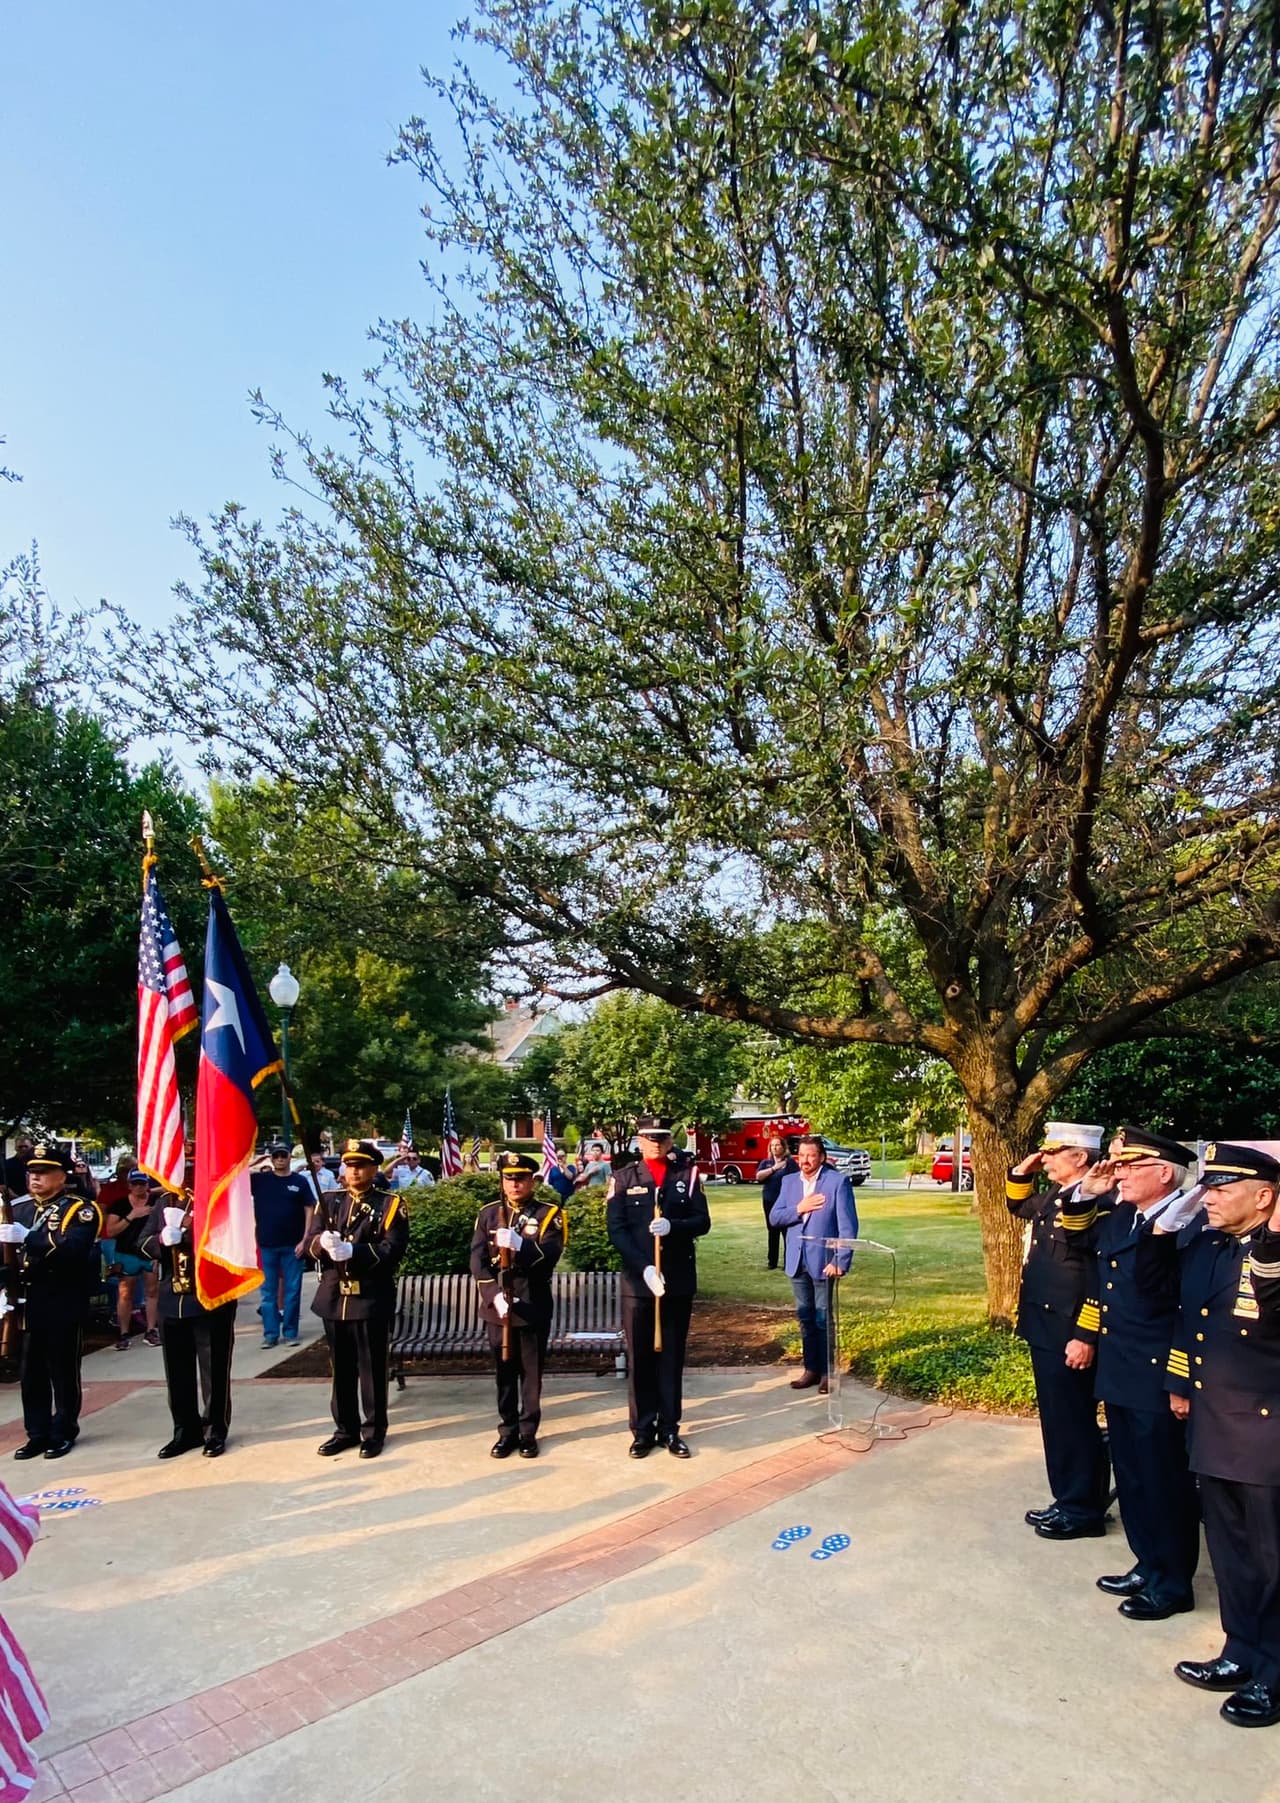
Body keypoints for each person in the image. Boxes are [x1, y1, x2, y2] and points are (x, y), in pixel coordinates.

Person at [1155, 1143, 1280, 1728]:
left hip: (1266, 1433)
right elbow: (1189, 1319)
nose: (1209, 1198)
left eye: (1223, 1189)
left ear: (1265, 1197)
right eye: (1208, 1188)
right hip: (1216, 1425)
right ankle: (1241, 1650)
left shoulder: (1271, 1256)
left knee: (1273, 1559)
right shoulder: (1209, 1246)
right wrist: (1181, 1383)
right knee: (1231, 1553)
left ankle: (1274, 1673)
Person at [1072, 1124, 1201, 1620]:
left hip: (1156, 1375)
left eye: (1130, 1166)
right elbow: (1076, 1238)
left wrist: (1179, 1380)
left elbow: (1188, 1311)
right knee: (1131, 1476)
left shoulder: (1186, 1224)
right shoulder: (1124, 1216)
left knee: (1163, 1480)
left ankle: (1173, 1582)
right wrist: (1088, 1193)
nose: (1118, 1173)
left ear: (1164, 1173)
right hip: (1120, 1368)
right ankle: (1147, 1563)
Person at [1006, 1121, 1115, 1540]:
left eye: (1054, 1153)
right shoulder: (1059, 1194)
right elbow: (1020, 1206)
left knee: (1073, 1421)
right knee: (1059, 1419)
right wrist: (1022, 1171)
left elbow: (1098, 1276)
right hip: (1045, 1323)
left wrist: (1086, 1335)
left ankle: (1081, 1509)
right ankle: (1070, 1498)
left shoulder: (1097, 1202)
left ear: (1081, 1157)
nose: (1046, 1159)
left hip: (1070, 1328)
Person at [606, 1116, 710, 1459]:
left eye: (661, 1138)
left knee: (671, 1358)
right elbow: (617, 1230)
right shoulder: (623, 1178)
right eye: (649, 1138)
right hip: (639, 1283)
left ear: (669, 1141)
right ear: (640, 1141)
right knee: (639, 1360)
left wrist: (674, 1226)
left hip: (676, 1281)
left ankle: (669, 1429)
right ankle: (642, 1431)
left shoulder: (687, 1175)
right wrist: (645, 1266)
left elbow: (702, 1222)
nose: (655, 1143)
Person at [303, 1139, 409, 1459]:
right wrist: (322, 1244)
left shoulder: (390, 1204)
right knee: (341, 1369)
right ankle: (345, 1430)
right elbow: (309, 1245)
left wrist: (354, 1251)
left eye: (361, 1165)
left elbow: (393, 1249)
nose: (354, 1171)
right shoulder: (329, 1201)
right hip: (335, 1298)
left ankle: (373, 1431)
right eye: (349, 1165)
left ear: (374, 1168)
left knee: (372, 1369)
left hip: (370, 1298)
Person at [0, 1142, 102, 1460]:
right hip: (27, 1303)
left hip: (62, 1300)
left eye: (43, 1172)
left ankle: (63, 1431)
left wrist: (29, 1238)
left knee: (62, 1370)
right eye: (32, 1172)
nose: (36, 1177)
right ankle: (37, 1433)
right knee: (31, 1373)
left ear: (62, 1176)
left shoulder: (80, 1209)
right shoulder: (19, 1209)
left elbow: (74, 1248)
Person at [470, 1151, 567, 1459]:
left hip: (531, 1304)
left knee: (530, 1374)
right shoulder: (488, 1213)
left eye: (521, 1178)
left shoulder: (549, 1214)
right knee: (504, 1372)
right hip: (497, 1307)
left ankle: (527, 1432)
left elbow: (550, 1255)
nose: (514, 1184)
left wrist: (522, 1246)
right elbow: (477, 1260)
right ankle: (507, 1431)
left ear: (532, 1180)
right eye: (509, 1178)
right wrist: (493, 1295)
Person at [139, 1193, 237, 1458]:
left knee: (213, 1369)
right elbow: (142, 1241)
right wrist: (162, 1240)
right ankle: (185, 1430)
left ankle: (215, 1429)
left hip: (210, 1296)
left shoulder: (220, 1196)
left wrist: (188, 1229)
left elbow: (228, 1240)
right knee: (176, 1371)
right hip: (172, 1296)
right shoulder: (165, 1201)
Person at [769, 1134, 857, 1393]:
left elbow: (848, 1226)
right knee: (805, 1317)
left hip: (824, 1262)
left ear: (822, 1157)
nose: (805, 1160)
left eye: (811, 1155)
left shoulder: (837, 1182)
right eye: (802, 1155)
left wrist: (840, 1260)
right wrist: (800, 1208)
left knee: (822, 1318)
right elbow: (775, 1218)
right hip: (796, 1261)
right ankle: (811, 1369)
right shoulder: (788, 1182)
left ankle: (828, 1373)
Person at [250, 1142, 313, 1348]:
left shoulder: (299, 1181)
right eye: (276, 1156)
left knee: (292, 1292)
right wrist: (255, 1161)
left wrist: (305, 1239)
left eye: (283, 1155)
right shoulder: (260, 1180)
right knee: (267, 1293)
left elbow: (309, 1208)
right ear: (271, 1158)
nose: (279, 1159)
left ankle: (290, 1332)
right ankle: (270, 1334)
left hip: (293, 1246)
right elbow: (235, 1177)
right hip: (266, 1244)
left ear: (289, 1158)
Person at [99, 1169, 161, 1349]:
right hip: (126, 1253)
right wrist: (132, 1215)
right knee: (125, 1293)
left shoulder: (156, 1202)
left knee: (152, 1291)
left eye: (142, 1184)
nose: (139, 1187)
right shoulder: (120, 1205)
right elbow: (111, 1231)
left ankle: (151, 1330)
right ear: (129, 1185)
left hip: (149, 1254)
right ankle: (123, 1333)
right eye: (135, 1184)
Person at [757, 1134, 797, 1271]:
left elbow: (797, 1179)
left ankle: (788, 1262)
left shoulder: (790, 1163)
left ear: (783, 1147)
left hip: (786, 1202)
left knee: (786, 1232)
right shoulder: (766, 1163)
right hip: (769, 1200)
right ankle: (772, 1261)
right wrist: (774, 1168)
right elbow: (759, 1176)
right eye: (772, 1145)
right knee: (772, 1230)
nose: (775, 1148)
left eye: (777, 1145)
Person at [1, 1136, 33, 1201]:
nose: (23, 1149)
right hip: (14, 1201)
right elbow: (2, 1184)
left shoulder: (37, 1164)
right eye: (20, 1147)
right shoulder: (6, 1164)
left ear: (31, 1147)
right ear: (15, 1148)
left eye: (26, 1146)